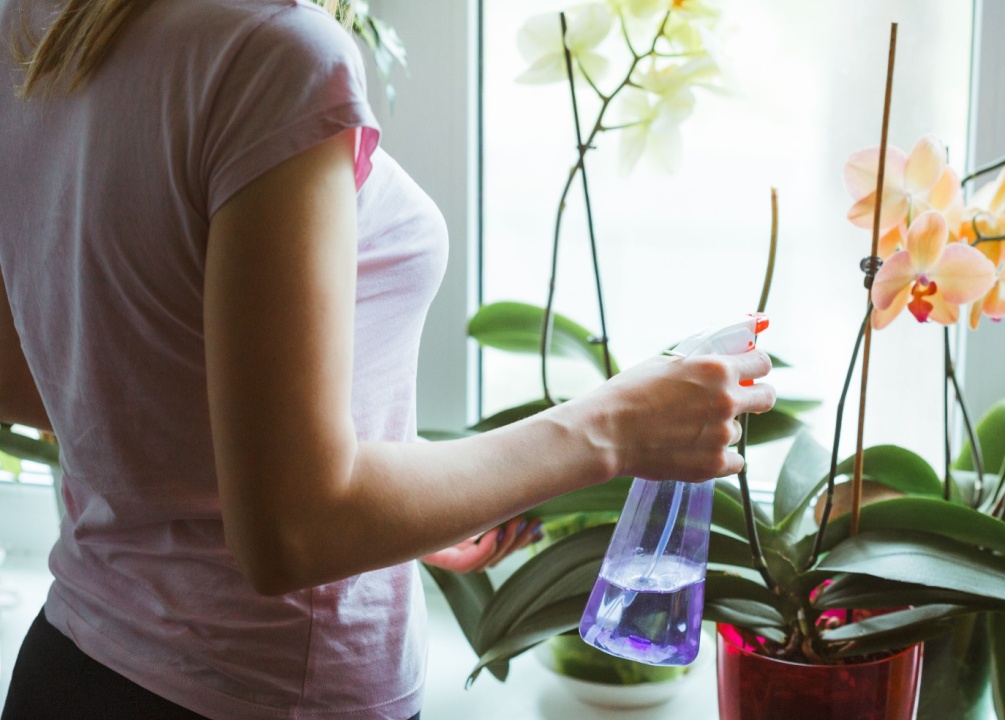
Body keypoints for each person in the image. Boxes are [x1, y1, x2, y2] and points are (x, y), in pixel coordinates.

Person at [0, 0, 775, 718]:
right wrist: (616, 426)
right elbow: (293, 533)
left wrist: (368, 490)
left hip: (69, 667)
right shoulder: (271, 57)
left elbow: (36, 372)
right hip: (250, 692)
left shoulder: (47, 22)